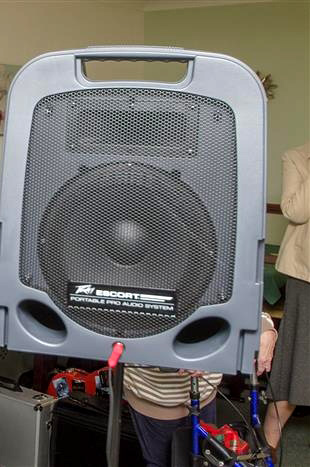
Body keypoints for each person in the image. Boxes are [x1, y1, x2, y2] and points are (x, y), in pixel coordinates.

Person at [123, 315, 277, 467]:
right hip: (154, 398)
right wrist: (179, 352)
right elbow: (120, 322)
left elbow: (243, 299)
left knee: (208, 458)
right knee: (161, 462)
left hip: (204, 392)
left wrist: (265, 328)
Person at [264, 141, 310, 456]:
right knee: (293, 377)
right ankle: (265, 451)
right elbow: (295, 211)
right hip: (305, 277)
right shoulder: (296, 156)